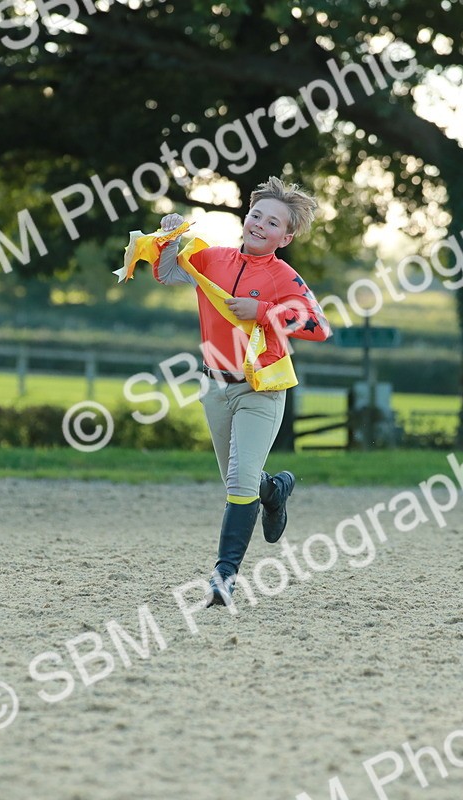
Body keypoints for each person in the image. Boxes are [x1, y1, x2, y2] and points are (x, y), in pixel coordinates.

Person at [153, 177, 331, 606]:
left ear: (285, 237)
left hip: (261, 390)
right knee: (241, 482)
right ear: (245, 217)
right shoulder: (212, 258)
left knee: (238, 479)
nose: (259, 225)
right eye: (256, 215)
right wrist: (167, 237)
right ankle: (275, 491)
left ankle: (224, 576)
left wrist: (264, 311)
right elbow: (166, 274)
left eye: (272, 223)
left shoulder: (283, 277)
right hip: (215, 388)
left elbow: (319, 326)